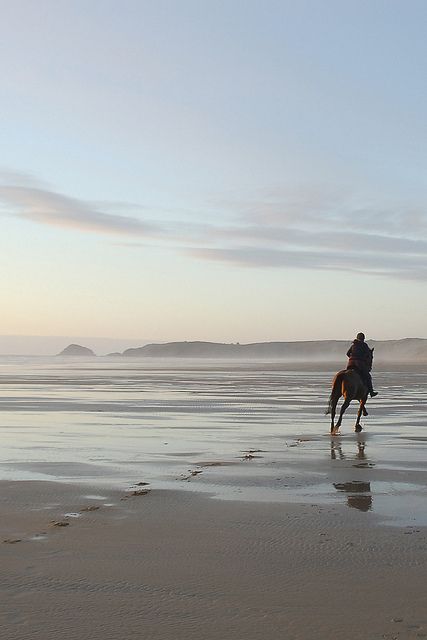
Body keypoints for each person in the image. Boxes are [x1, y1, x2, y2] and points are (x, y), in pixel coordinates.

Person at [346, 332, 378, 397]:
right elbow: (368, 355)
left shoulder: (353, 345)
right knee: (368, 376)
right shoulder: (364, 345)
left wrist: (352, 358)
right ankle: (371, 392)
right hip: (359, 364)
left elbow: (347, 353)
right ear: (363, 338)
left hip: (350, 364)